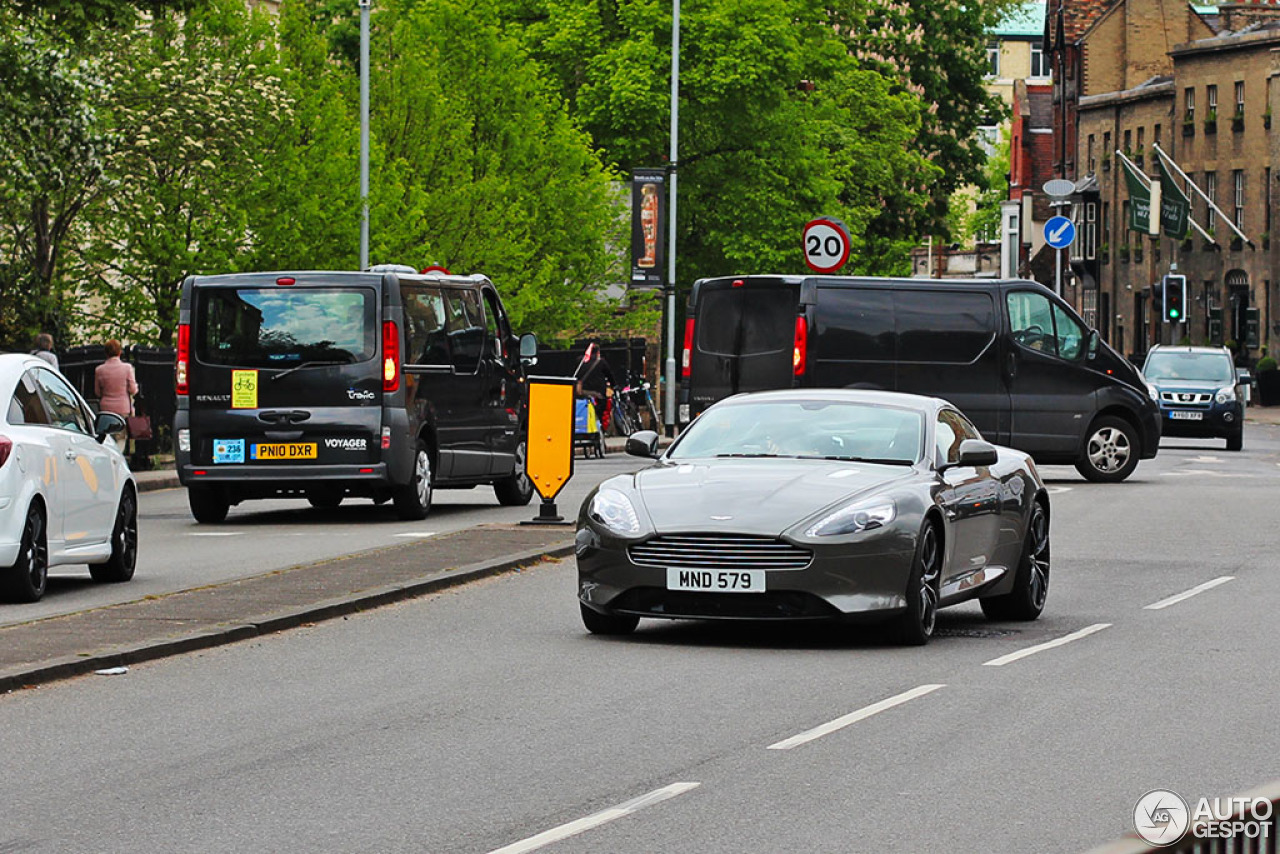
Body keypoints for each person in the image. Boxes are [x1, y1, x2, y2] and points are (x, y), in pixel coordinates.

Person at [95, 340, 139, 446]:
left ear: (106, 353)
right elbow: (133, 390)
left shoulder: (99, 370)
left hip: (106, 408)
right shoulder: (127, 368)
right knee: (121, 438)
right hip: (122, 408)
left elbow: (97, 392)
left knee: (107, 439)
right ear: (120, 352)